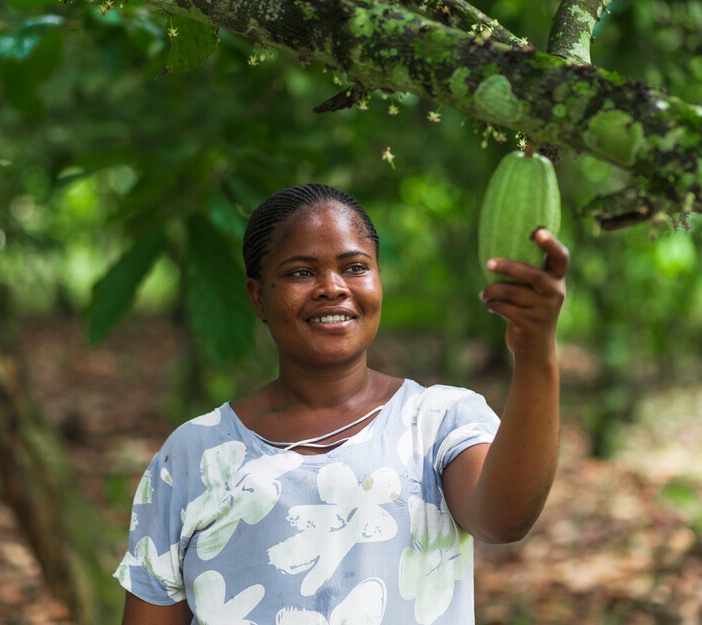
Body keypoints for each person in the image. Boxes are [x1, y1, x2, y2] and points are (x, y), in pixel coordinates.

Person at [114, 183, 568, 625]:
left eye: (354, 267)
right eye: (300, 272)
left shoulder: (438, 423)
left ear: (378, 282)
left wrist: (535, 352)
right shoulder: (195, 455)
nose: (331, 287)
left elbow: (503, 520)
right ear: (258, 297)